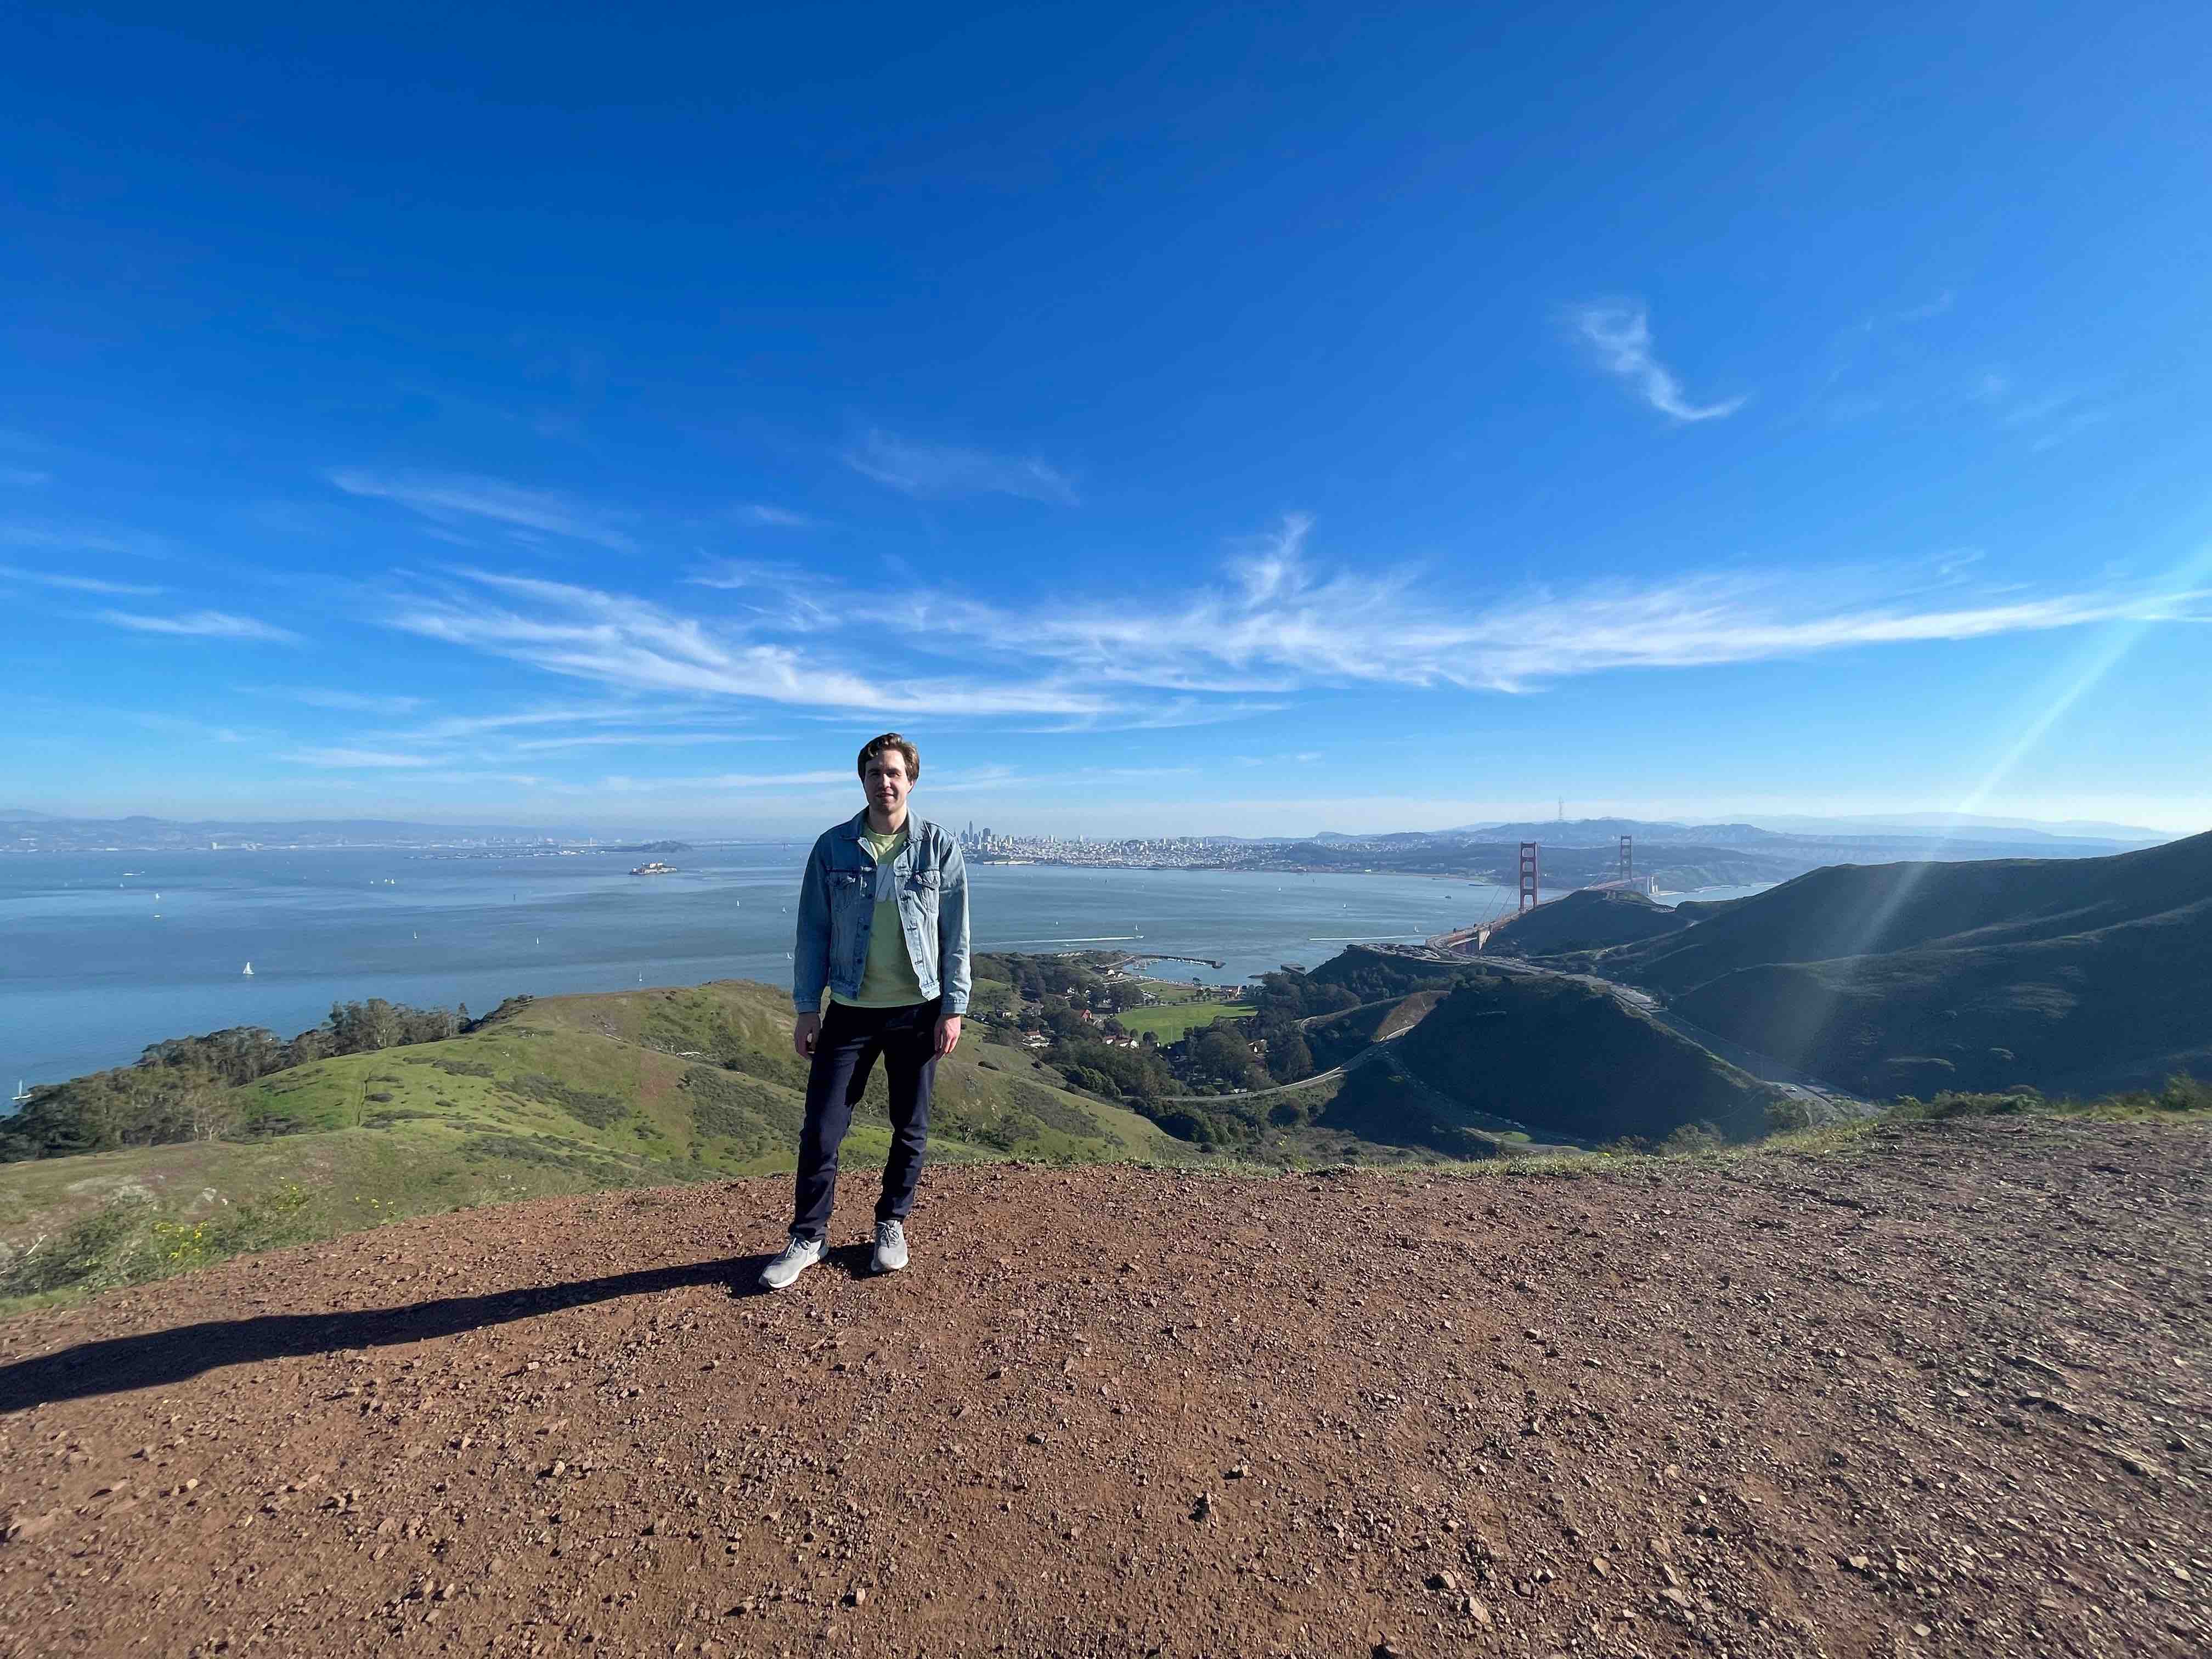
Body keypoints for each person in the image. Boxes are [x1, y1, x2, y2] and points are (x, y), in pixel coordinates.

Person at [758, 732, 970, 1290]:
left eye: (895, 773)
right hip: (850, 1011)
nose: (885, 783)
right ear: (864, 780)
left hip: (917, 1010)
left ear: (912, 780)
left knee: (910, 1127)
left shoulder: (938, 848)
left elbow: (956, 936)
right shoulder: (833, 848)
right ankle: (809, 1236)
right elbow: (812, 933)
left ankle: (891, 1224)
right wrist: (807, 1008)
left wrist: (953, 1007)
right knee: (822, 1129)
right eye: (875, 773)